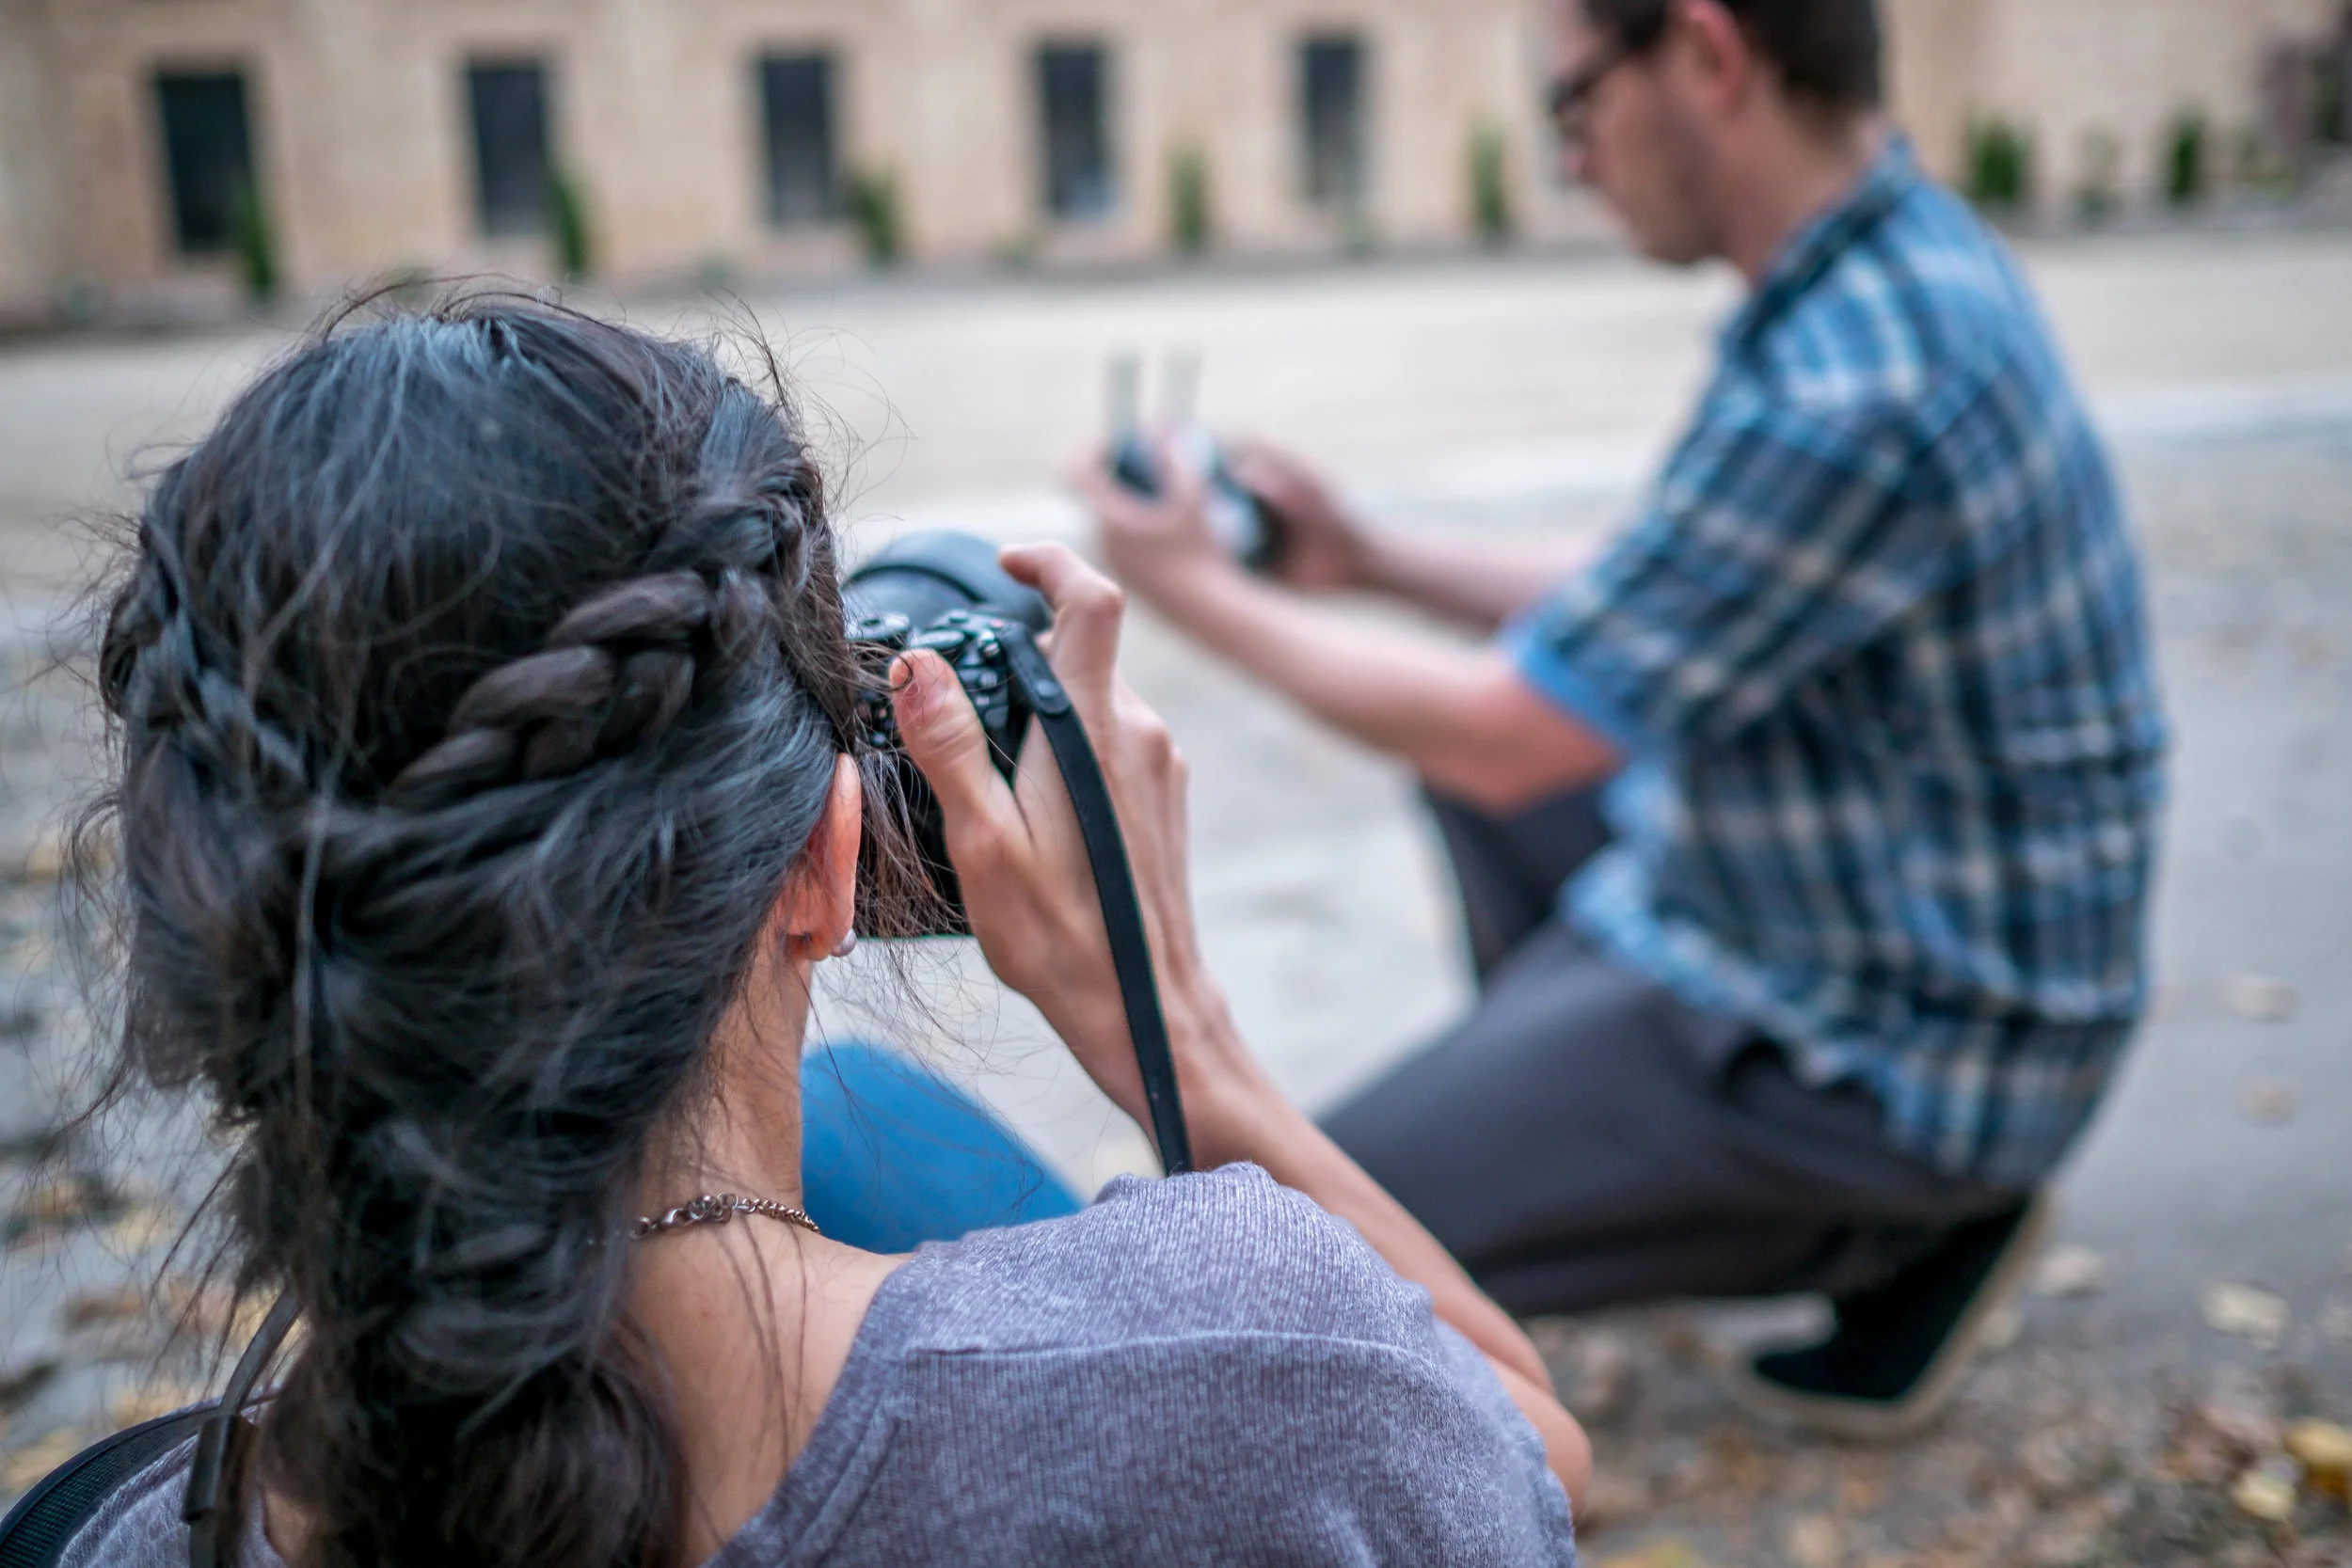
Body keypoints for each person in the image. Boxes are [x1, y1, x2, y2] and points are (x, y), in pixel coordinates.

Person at [64, 299, 1586, 1567]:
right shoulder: (1248, 1387)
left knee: (877, 1125)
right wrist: (1168, 1020)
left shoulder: (96, 1531)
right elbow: (1530, 1457)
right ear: (825, 856)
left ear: (196, 906)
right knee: (877, 1122)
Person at [1081, 0, 2166, 1437]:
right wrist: (1372, 556)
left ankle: (1896, 1221)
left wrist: (1189, 588)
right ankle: (1608, 1159)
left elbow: (1510, 730)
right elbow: (1666, 592)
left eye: (1574, 104)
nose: (1574, 157)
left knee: (1277, 1246)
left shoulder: (1862, 373)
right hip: (1874, 918)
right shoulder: (1888, 267)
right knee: (1497, 770)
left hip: (1909, 1050)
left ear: (1709, 56)